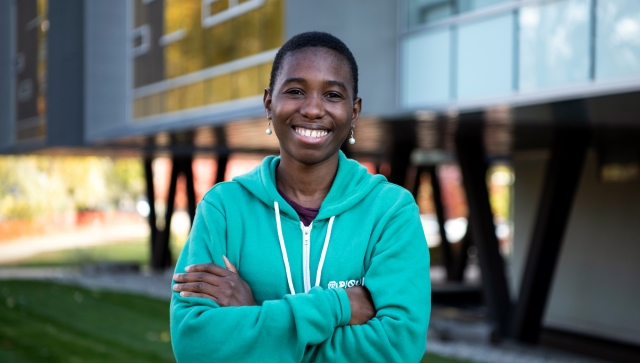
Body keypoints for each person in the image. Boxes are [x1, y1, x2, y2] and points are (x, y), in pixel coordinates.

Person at [170, 31, 431, 362]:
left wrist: (256, 317)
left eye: (333, 95)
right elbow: (196, 345)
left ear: (354, 111)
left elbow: (397, 348)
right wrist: (340, 306)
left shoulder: (391, 211)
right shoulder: (223, 209)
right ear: (269, 103)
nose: (312, 109)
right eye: (295, 91)